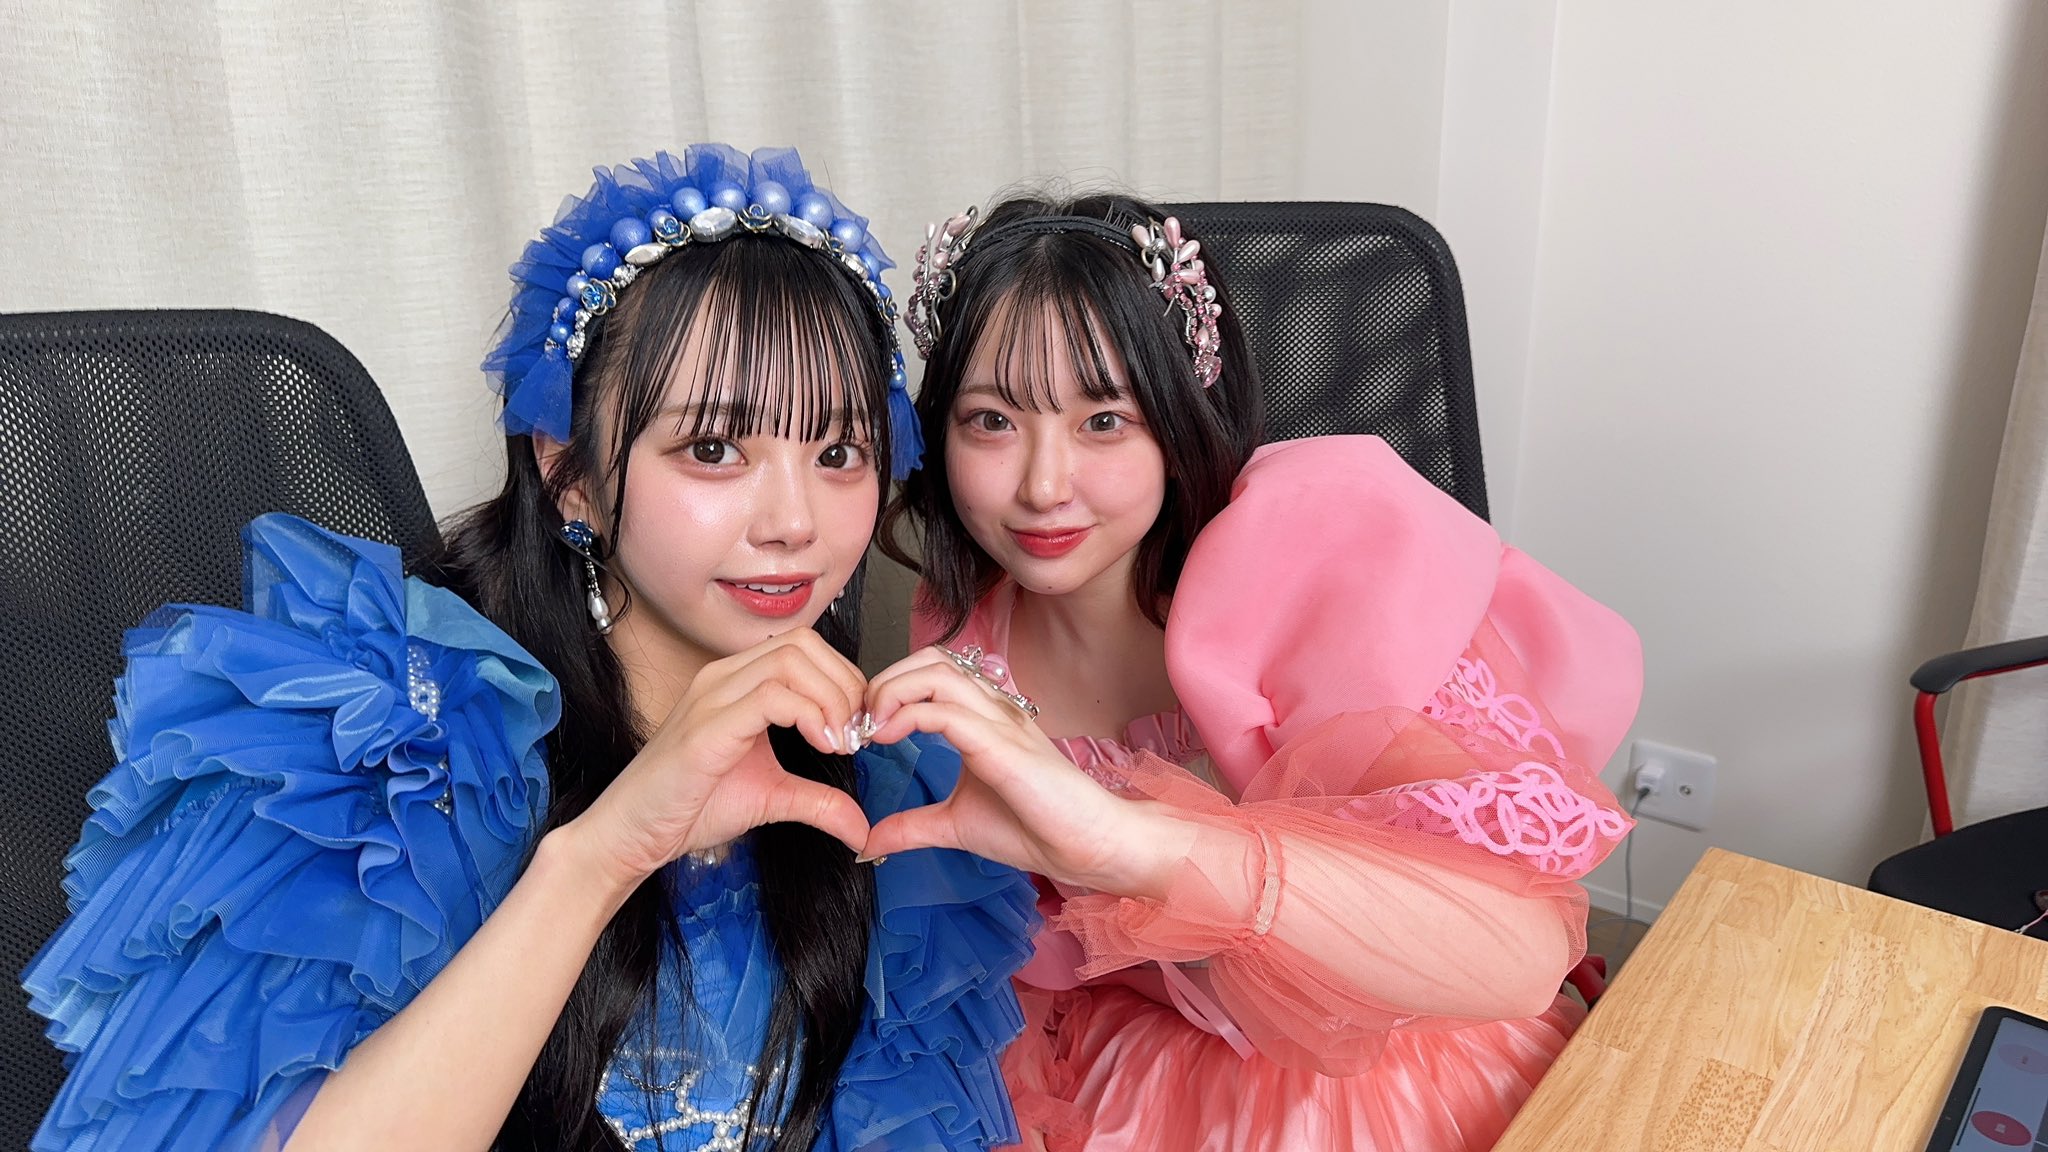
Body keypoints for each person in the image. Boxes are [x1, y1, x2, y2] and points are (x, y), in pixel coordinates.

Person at [23, 145, 1037, 1152]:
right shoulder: (385, 754)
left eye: (838, 452)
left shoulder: (887, 789)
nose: (795, 523)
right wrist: (603, 853)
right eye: (713, 449)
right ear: (569, 475)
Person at [876, 192, 1644, 1151]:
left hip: (1367, 1064)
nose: (1042, 484)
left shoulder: (1305, 575)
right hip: (1115, 1056)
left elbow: (1517, 957)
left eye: (1104, 420)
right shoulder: (961, 632)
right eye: (991, 421)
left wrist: (1141, 848)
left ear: (1177, 421)